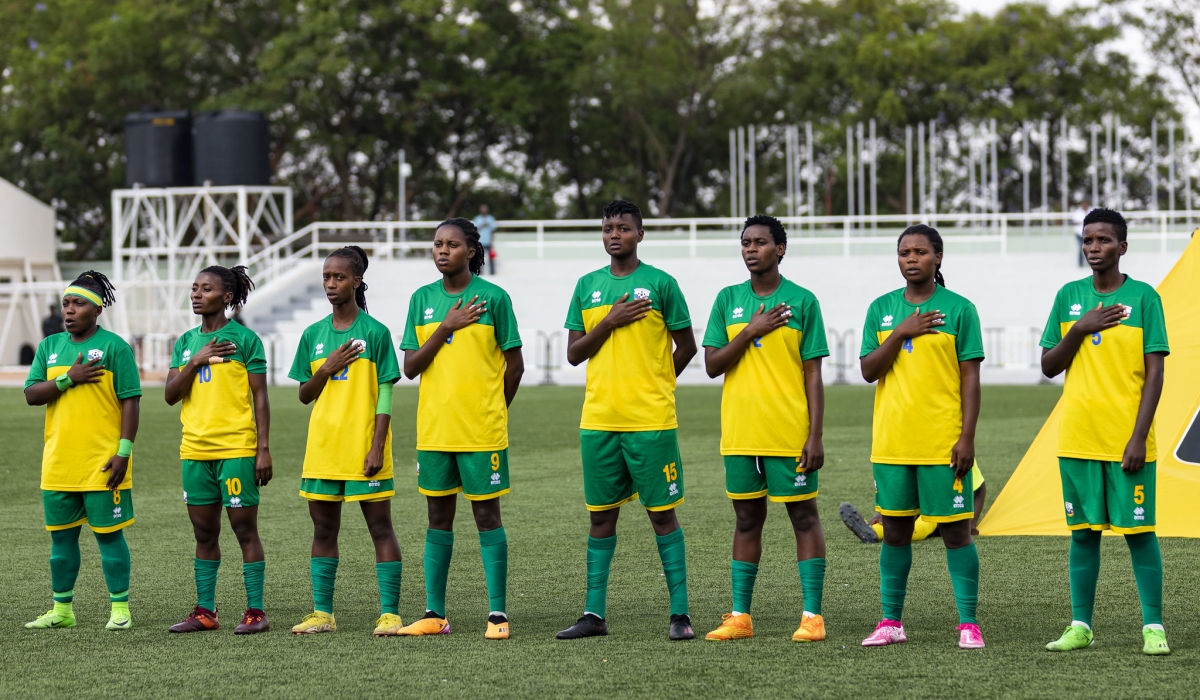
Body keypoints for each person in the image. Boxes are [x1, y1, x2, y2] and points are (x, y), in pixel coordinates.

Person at [556, 200, 698, 641]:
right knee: (601, 518)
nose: (613, 235)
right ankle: (593, 615)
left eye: (622, 228)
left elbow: (687, 346)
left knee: (662, 516)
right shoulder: (587, 286)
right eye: (607, 228)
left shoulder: (661, 284)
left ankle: (680, 615)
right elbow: (575, 353)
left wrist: (657, 384)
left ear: (640, 234)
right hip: (598, 420)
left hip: (651, 419)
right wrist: (610, 322)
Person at [1040, 208, 1171, 656]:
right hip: (1077, 438)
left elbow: (1155, 374)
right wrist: (1079, 328)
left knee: (1139, 532)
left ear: (1122, 247)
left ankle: (1153, 626)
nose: (1094, 248)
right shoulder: (1068, 297)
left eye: (1103, 241)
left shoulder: (1144, 299)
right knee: (1082, 533)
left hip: (1127, 441)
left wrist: (1138, 436)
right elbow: (1049, 365)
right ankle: (1081, 625)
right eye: (1088, 240)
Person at [701, 215, 830, 643]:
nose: (751, 249)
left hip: (789, 432)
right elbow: (713, 364)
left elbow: (813, 373)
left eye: (760, 242)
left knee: (804, 517)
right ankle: (740, 616)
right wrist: (751, 331)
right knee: (745, 519)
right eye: (745, 243)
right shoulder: (728, 300)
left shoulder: (803, 301)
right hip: (740, 431)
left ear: (780, 248)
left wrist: (815, 435)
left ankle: (812, 616)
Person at [858, 224, 985, 650]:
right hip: (892, 443)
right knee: (895, 532)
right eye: (904, 252)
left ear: (938, 258)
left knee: (956, 532)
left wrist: (966, 437)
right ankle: (891, 622)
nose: (911, 259)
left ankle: (969, 623)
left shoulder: (960, 309)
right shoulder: (881, 310)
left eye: (920, 252)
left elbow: (970, 379)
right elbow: (868, 370)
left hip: (942, 443)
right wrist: (900, 333)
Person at [397, 217, 524, 640]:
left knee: (487, 515)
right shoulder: (422, 300)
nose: (442, 251)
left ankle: (498, 614)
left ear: (471, 250)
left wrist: (493, 410)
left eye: (451, 245)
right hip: (434, 430)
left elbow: (515, 365)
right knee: (437, 516)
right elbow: (410, 367)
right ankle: (435, 613)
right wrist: (445, 327)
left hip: (481, 431)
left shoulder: (494, 298)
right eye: (437, 244)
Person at [288, 246, 405, 636]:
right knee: (323, 531)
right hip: (323, 448)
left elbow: (386, 393)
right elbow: (305, 394)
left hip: (364, 448)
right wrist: (327, 368)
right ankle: (323, 614)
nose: (331, 284)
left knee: (381, 528)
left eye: (339, 277)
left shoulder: (375, 333)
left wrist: (377, 445)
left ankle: (390, 614)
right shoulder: (313, 335)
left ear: (356, 281)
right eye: (326, 277)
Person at [23, 271, 141, 631]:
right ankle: (62, 611)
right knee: (60, 541)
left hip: (103, 463)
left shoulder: (115, 347)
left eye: (78, 304)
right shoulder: (49, 347)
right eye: (66, 303)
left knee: (109, 537)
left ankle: (120, 609)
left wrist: (123, 452)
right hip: (58, 463)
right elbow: (31, 394)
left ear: (97, 309)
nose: (69, 310)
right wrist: (66, 379)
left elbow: (131, 402)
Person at [164, 265, 272, 635]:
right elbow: (170, 395)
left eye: (205, 289)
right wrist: (195, 360)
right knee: (204, 534)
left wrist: (263, 449)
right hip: (194, 451)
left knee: (245, 531)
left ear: (226, 297)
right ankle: (205, 612)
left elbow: (260, 396)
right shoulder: (184, 343)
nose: (196, 294)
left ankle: (255, 611)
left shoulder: (245, 340)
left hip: (236, 449)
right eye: (194, 288)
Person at [840, 462, 988, 542]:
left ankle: (875, 533)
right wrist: (883, 511)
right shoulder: (913, 454)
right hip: (917, 507)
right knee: (900, 521)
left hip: (944, 510)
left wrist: (971, 523)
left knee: (927, 523)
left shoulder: (956, 451)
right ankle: (872, 529)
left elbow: (980, 488)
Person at [472, 204, 498, 275]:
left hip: (488, 241)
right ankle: (480, 272)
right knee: (479, 258)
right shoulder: (477, 219)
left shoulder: (491, 219)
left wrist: (492, 242)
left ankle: (492, 272)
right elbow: (475, 230)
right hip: (480, 242)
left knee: (491, 257)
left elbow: (493, 231)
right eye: (482, 209)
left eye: (485, 209)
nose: (484, 210)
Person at [1071, 199, 1090, 268]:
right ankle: (1080, 264)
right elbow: (1073, 222)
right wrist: (1081, 222)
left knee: (1089, 249)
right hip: (1079, 234)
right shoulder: (1078, 212)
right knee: (1080, 248)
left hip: (1088, 234)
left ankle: (1089, 263)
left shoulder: (1090, 211)